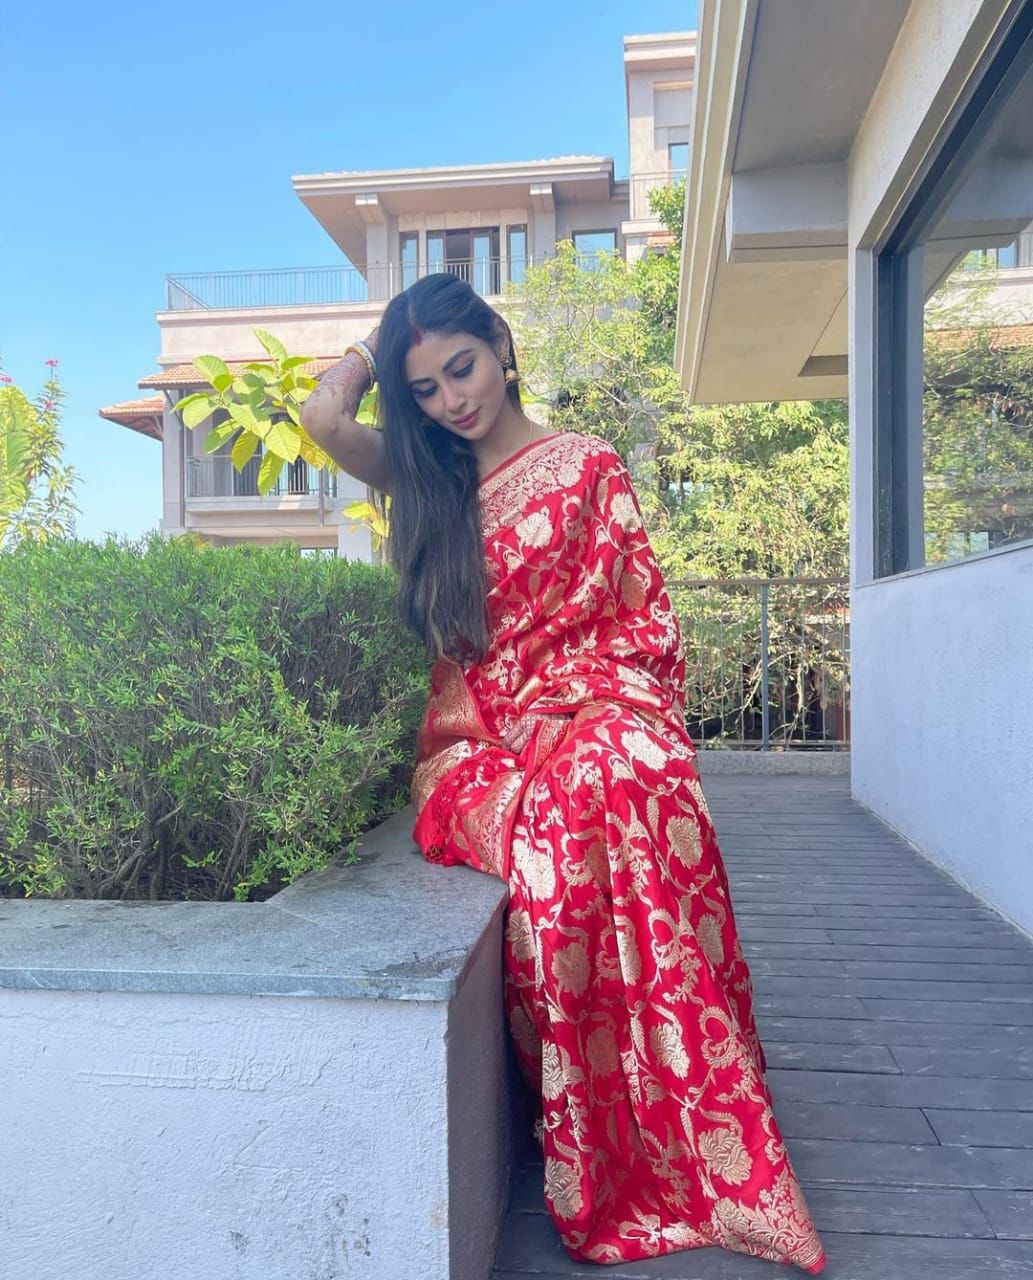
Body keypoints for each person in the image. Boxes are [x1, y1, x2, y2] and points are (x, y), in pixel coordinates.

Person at [301, 273, 827, 1273]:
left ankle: (693, 1113)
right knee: (570, 821)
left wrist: (586, 704)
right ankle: (605, 1144)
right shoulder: (429, 480)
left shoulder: (587, 463)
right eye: (426, 388)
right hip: (480, 744)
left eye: (462, 367)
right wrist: (379, 345)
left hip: (597, 704)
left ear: (501, 348)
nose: (452, 399)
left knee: (629, 777)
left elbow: (640, 618)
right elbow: (323, 418)